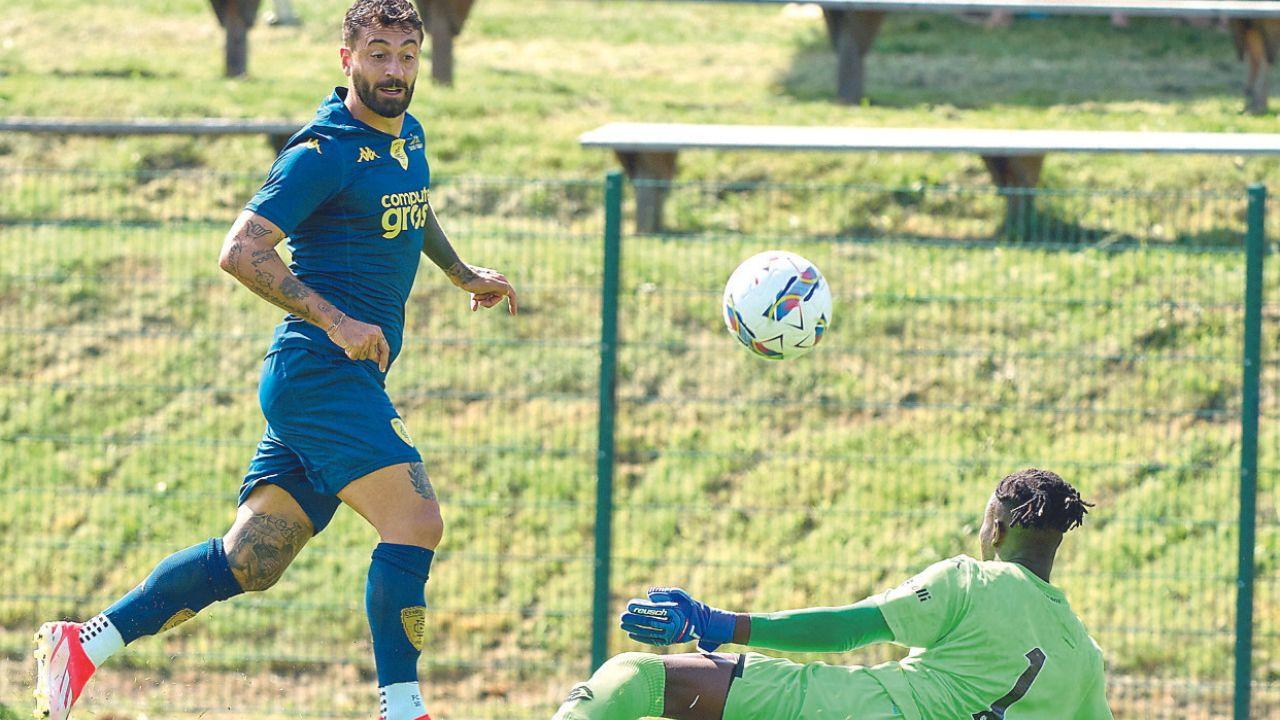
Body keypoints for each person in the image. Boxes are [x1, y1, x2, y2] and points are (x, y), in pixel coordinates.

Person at [32, 2, 516, 719]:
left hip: (331, 380)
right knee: (416, 523)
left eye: (407, 54)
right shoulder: (320, 152)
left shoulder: (406, 134)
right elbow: (240, 250)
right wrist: (337, 319)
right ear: (345, 59)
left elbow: (413, 207)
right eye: (378, 53)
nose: (394, 70)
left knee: (253, 558)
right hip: (321, 372)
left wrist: (458, 271)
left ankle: (83, 645)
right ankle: (403, 709)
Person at [553, 468, 1111, 720]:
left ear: (995, 528)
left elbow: (848, 630)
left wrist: (717, 622)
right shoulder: (1084, 657)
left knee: (638, 679)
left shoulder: (971, 580)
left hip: (854, 709)